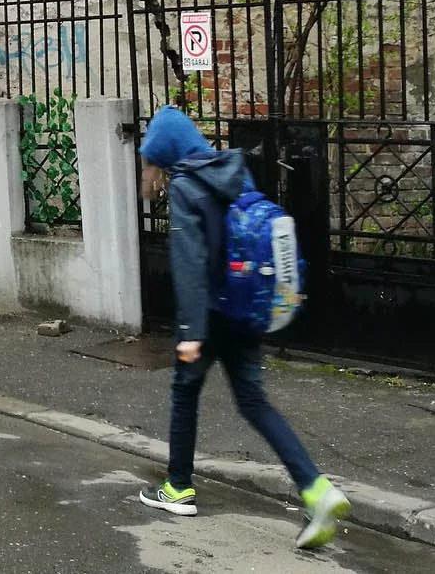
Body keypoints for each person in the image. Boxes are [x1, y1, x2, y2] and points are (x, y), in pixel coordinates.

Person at [135, 106, 350, 549]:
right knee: (254, 403)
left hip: (209, 315)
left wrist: (191, 334)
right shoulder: (231, 170)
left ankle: (177, 487)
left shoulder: (185, 188)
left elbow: (191, 264)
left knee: (184, 394)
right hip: (245, 310)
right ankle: (316, 489)